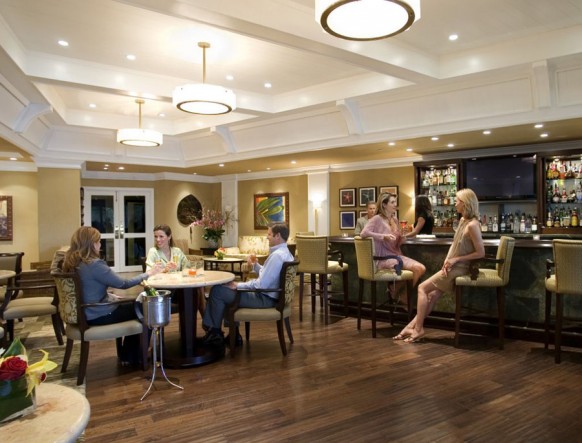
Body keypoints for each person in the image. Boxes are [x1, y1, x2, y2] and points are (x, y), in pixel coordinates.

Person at [62, 226, 163, 365]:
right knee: (146, 306)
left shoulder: (71, 263)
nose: (100, 245)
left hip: (83, 313)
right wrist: (149, 273)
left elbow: (87, 289)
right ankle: (134, 356)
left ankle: (129, 355)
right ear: (92, 244)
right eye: (98, 241)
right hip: (97, 314)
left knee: (134, 304)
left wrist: (110, 296)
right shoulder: (94, 265)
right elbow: (123, 284)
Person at [394, 188, 485, 343]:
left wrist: (456, 260)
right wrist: (447, 260)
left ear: (465, 203)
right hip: (452, 266)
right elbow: (454, 245)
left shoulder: (473, 225)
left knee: (422, 288)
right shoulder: (462, 221)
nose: (455, 203)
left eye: (457, 201)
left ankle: (418, 329)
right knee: (432, 295)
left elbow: (481, 253)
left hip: (461, 268)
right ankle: (410, 327)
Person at [202, 223, 294, 347]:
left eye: (269, 234)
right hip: (271, 296)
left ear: (277, 236)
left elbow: (261, 284)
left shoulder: (276, 256)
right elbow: (268, 276)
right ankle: (233, 335)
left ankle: (214, 335)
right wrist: (255, 265)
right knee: (226, 290)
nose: (267, 237)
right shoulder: (285, 253)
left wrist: (238, 285)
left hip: (265, 298)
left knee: (218, 291)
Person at [360, 192, 426, 288]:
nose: (395, 204)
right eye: (392, 202)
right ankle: (403, 295)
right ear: (384, 205)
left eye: (395, 202)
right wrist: (383, 236)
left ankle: (397, 292)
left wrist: (402, 235)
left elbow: (397, 243)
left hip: (396, 256)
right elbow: (363, 233)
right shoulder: (376, 219)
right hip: (383, 258)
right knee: (417, 268)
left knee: (421, 268)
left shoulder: (395, 219)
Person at [146, 224, 205, 316]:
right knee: (195, 291)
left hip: (178, 286)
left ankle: (198, 319)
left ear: (169, 236)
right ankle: (205, 318)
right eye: (156, 236)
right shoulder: (153, 252)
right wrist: (164, 270)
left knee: (197, 287)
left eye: (161, 236)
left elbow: (187, 268)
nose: (158, 239)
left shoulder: (177, 251)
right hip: (163, 289)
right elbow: (148, 274)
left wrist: (194, 269)